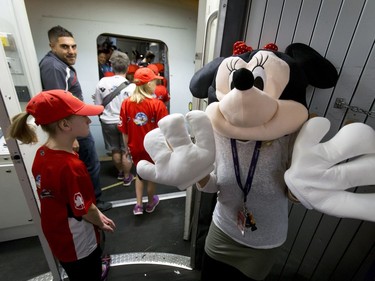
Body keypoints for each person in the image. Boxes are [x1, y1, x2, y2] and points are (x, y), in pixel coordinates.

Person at [7, 90, 116, 281]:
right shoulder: (72, 166)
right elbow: (84, 210)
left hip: (57, 233)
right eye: (83, 117)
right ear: (65, 125)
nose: (89, 121)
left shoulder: (42, 154)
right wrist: (99, 221)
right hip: (78, 242)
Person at [39, 25, 112, 211]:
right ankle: (92, 204)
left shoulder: (60, 65)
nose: (71, 51)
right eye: (64, 47)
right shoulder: (55, 67)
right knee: (90, 164)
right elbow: (59, 104)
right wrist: (70, 138)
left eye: (73, 46)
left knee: (88, 165)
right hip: (72, 130)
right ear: (52, 46)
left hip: (73, 127)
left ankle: (89, 202)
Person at [118, 67, 168, 215]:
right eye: (153, 81)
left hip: (135, 147)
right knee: (151, 176)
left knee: (139, 175)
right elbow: (164, 130)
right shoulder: (157, 105)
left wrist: (128, 147)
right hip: (152, 149)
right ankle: (151, 202)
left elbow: (124, 130)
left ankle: (138, 205)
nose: (155, 84)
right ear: (149, 84)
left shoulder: (126, 104)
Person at [94, 53, 136, 186]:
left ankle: (119, 172)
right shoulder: (132, 87)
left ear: (112, 66)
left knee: (115, 149)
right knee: (126, 151)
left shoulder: (102, 82)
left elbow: (98, 105)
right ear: (128, 67)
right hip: (125, 123)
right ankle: (127, 176)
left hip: (107, 121)